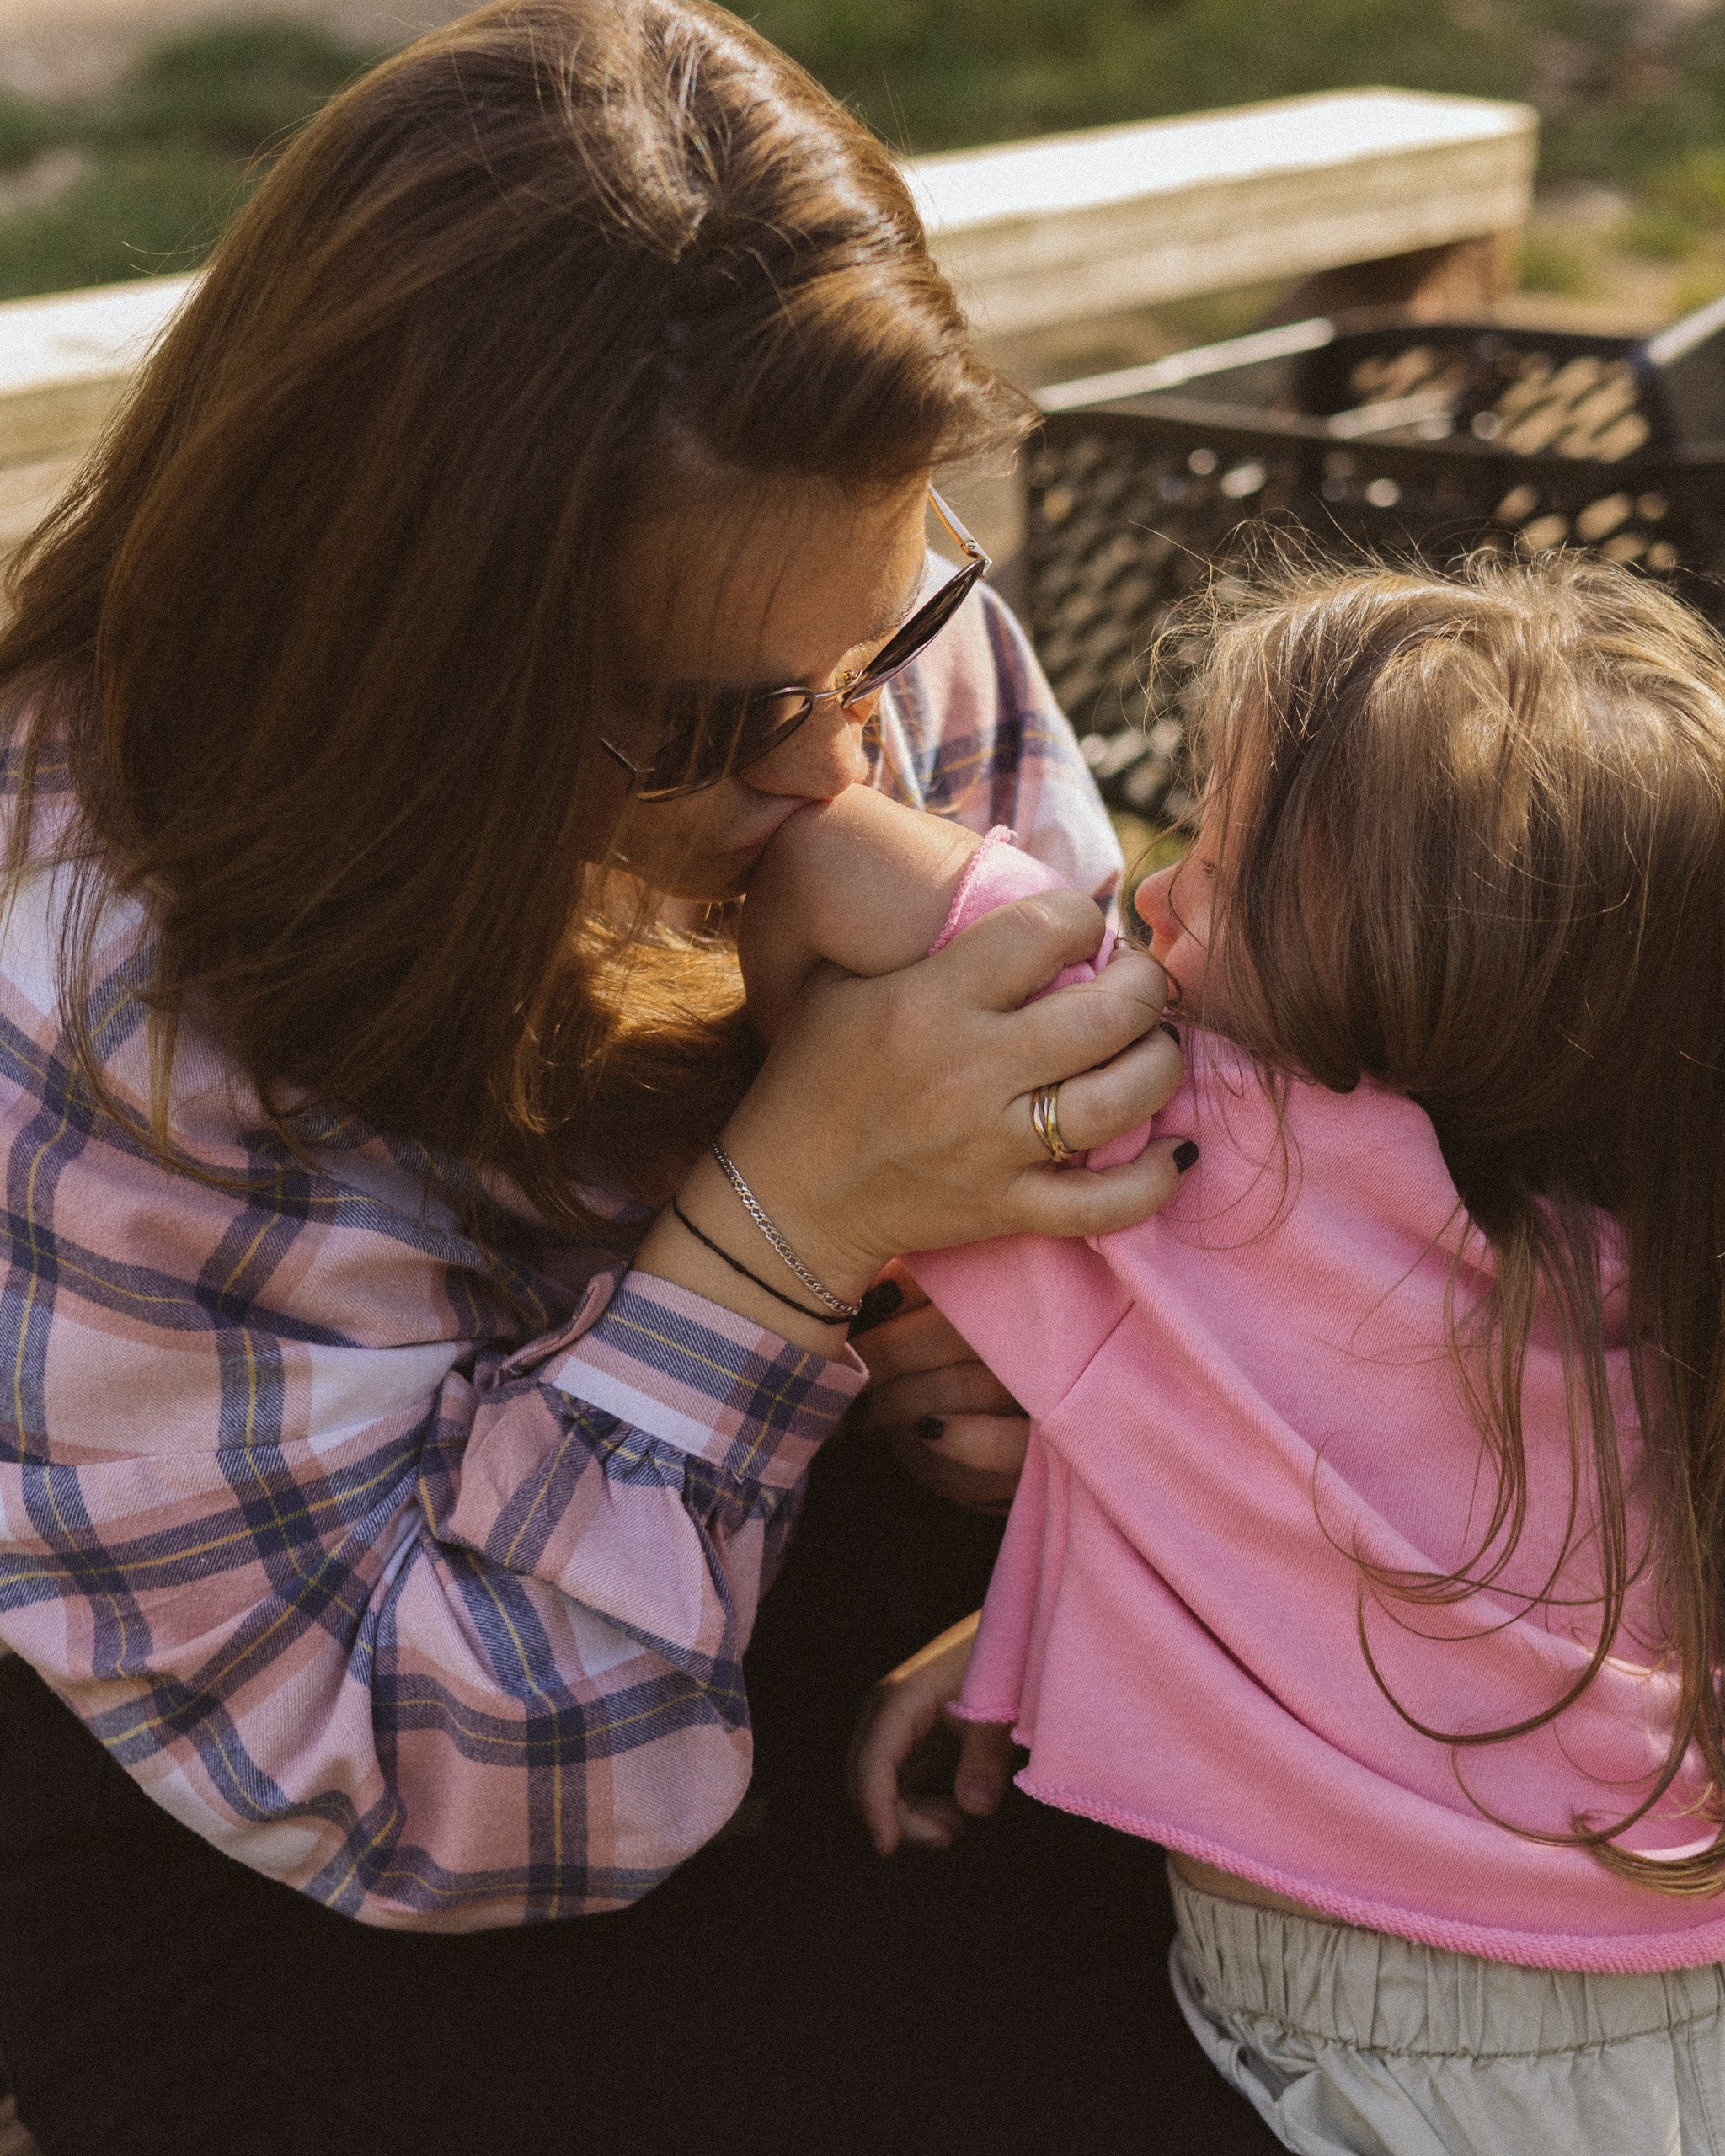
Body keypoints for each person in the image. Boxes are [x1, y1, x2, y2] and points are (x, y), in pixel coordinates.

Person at [0, 3, 1248, 2151]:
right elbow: (434, 1792)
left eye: (885, 634)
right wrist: (788, 1233)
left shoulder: (824, 615)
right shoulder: (100, 953)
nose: (845, 759)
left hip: (790, 1650)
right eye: (700, 726)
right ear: (397, 654)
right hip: (310, 1827)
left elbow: (1157, 1207)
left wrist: (1015, 1377)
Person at [745, 554, 1725, 2154]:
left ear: (1411, 943)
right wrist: (1038, 1623)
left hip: (1393, 2049)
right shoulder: (1655, 1201)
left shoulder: (1184, 1150)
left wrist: (832, 1132)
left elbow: (820, 874)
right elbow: (1397, 1562)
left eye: (1225, 851)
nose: (1157, 888)